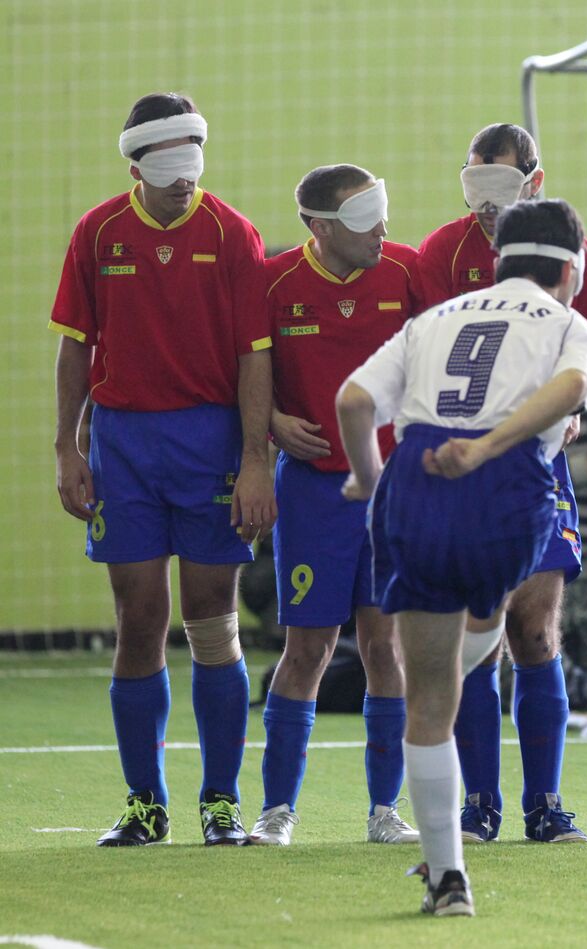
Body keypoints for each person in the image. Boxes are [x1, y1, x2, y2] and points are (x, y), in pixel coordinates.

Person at [336, 199, 587, 915]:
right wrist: (490, 447)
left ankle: (449, 875)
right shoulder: (573, 325)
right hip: (507, 485)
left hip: (416, 479)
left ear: (498, 263)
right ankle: (519, 804)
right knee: (494, 634)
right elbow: (575, 388)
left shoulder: (431, 320)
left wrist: (371, 485)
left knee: (429, 691)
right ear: (570, 270)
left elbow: (354, 401)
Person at [49, 92, 276, 846]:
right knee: (138, 617)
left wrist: (253, 461)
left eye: (195, 160)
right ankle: (145, 801)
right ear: (137, 163)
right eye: (169, 164)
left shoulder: (234, 234)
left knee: (212, 623)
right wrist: (66, 447)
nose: (186, 179)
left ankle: (220, 801)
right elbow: (75, 345)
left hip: (209, 441)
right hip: (126, 445)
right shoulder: (98, 232)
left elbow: (254, 356)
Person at [419, 123, 587, 843]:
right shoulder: (441, 253)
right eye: (474, 184)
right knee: (478, 633)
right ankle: (478, 805)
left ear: (535, 179)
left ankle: (545, 803)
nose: (485, 202)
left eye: (500, 185)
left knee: (535, 631)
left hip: (538, 465)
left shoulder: (577, 256)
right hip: (462, 468)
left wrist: (571, 412)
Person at [249, 165, 422, 846]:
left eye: (382, 213)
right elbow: (241, 367)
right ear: (319, 229)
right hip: (313, 491)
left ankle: (385, 810)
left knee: (386, 646)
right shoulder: (274, 282)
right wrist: (269, 429)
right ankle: (276, 810)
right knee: (308, 649)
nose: (380, 229)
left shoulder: (407, 272)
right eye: (361, 221)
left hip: (391, 493)